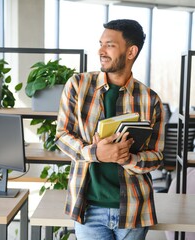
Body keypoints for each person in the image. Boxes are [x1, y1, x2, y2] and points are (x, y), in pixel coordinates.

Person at [55, 19, 164, 240]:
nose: (101, 50)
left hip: (133, 210)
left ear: (131, 51)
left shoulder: (150, 99)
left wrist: (126, 158)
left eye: (110, 45)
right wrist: (95, 153)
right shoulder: (77, 85)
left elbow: (157, 156)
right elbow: (62, 136)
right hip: (88, 209)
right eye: (101, 43)